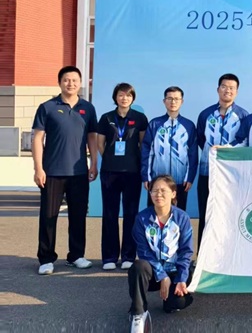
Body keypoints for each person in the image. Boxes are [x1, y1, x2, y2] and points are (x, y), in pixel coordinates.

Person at [32, 66, 99, 275]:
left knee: (78, 216)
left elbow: (92, 137)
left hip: (78, 172)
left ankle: (76, 255)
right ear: (60, 82)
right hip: (52, 172)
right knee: (48, 216)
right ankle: (46, 258)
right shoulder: (47, 107)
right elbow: (37, 138)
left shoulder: (88, 108)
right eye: (66, 80)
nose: (71, 84)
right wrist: (38, 168)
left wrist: (94, 163)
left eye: (74, 80)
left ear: (81, 83)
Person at [128, 175, 194, 332]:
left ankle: (170, 300)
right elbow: (144, 252)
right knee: (138, 267)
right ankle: (139, 313)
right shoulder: (142, 218)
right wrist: (162, 276)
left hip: (174, 271)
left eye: (163, 190)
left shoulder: (182, 218)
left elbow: (186, 252)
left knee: (177, 303)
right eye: (154, 191)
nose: (158, 194)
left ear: (173, 193)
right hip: (152, 273)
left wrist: (181, 278)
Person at [96, 83, 148, 271]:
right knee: (109, 214)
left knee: (131, 214)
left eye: (128, 95)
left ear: (133, 98)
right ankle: (109, 257)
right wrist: (111, 159)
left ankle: (128, 256)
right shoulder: (106, 118)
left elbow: (143, 144)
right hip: (110, 172)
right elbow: (100, 144)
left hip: (132, 172)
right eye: (120, 95)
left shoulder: (139, 118)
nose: (124, 98)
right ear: (115, 97)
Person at [195, 74, 248, 250]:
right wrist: (213, 154)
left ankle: (227, 255)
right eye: (224, 87)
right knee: (205, 213)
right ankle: (203, 254)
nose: (228, 90)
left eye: (232, 88)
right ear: (218, 89)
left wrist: (224, 150)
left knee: (229, 214)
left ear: (237, 92)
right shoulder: (205, 114)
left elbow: (243, 141)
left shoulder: (243, 115)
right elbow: (201, 139)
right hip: (207, 171)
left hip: (231, 175)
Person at [141, 86, 197, 210]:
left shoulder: (189, 125)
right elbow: (147, 152)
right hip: (157, 181)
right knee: (154, 214)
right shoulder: (155, 124)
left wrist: (189, 177)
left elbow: (192, 154)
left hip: (180, 181)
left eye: (177, 99)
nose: (173, 102)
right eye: (170, 98)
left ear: (182, 101)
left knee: (178, 214)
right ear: (164, 101)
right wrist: (146, 176)